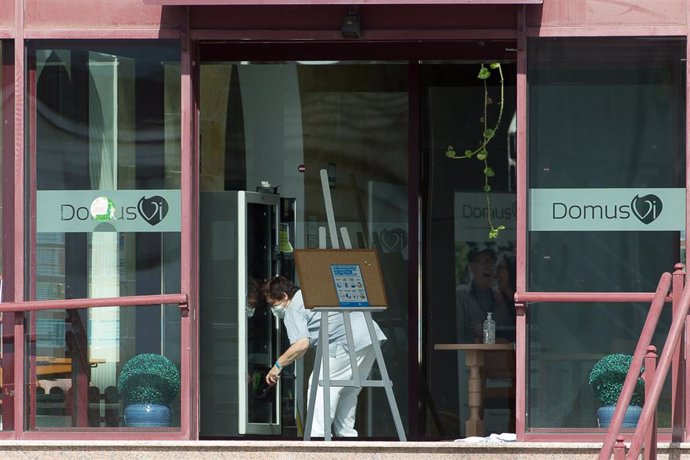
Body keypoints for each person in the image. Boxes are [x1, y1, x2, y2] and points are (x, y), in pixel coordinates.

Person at [262, 275, 387, 438]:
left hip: (346, 342)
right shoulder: (310, 294)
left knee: (321, 385)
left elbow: (301, 344)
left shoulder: (293, 308)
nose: (274, 309)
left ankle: (317, 437)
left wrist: (277, 365)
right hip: (370, 337)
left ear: (285, 296)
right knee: (348, 389)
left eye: (274, 304)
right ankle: (347, 436)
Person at [456, 244, 514, 343]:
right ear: (472, 267)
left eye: (492, 262)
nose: (489, 267)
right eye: (484, 262)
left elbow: (509, 332)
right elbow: (458, 335)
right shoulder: (461, 294)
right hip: (471, 356)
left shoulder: (500, 295)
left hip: (499, 356)